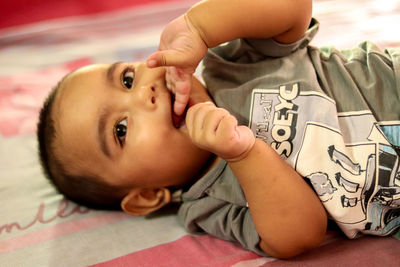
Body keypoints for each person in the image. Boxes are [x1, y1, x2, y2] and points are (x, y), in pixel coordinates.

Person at [37, 0, 400, 259]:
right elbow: (301, 236)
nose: (143, 95)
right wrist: (244, 154)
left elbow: (292, 8)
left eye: (128, 79)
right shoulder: (210, 206)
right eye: (119, 129)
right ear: (148, 195)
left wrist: (199, 26)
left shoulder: (232, 64)